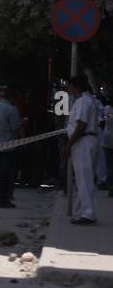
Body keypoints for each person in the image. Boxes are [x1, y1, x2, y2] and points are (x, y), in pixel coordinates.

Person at [63, 73, 100, 225]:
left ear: (75, 86)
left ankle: (87, 213)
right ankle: (82, 211)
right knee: (83, 178)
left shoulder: (84, 101)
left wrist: (68, 145)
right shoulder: (84, 100)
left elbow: (81, 125)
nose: (67, 89)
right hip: (85, 140)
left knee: (84, 178)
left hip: (83, 141)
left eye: (69, 86)